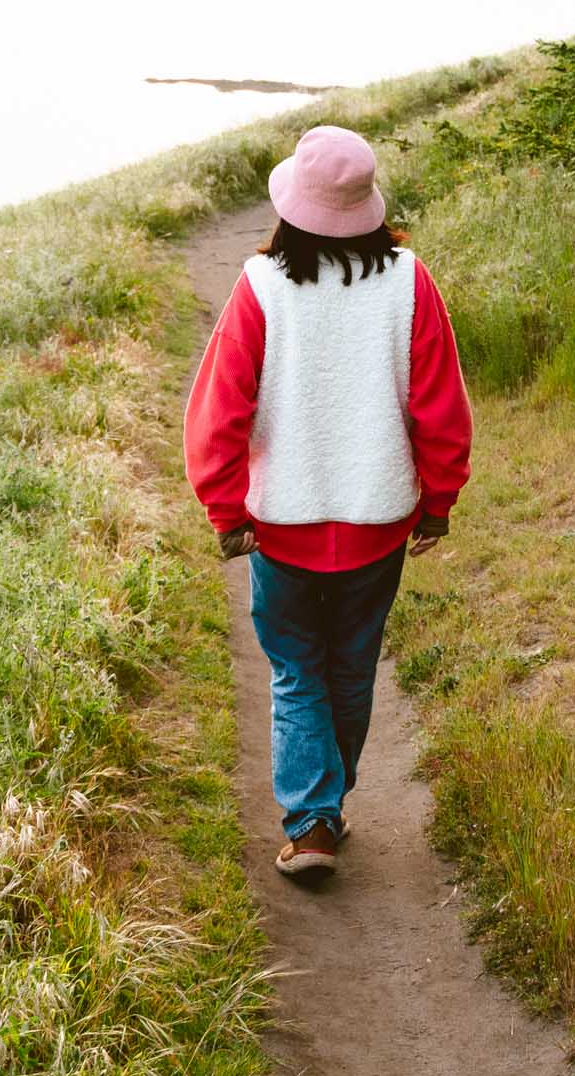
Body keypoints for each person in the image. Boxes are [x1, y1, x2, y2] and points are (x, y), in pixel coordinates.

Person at [185, 123, 472, 879]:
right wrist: (437, 500)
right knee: (350, 665)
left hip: (283, 525)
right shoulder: (410, 281)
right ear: (367, 206)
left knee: (295, 670)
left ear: (290, 210)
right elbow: (440, 407)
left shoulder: (262, 287)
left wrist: (226, 510)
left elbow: (220, 413)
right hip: (377, 523)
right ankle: (327, 807)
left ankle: (312, 820)